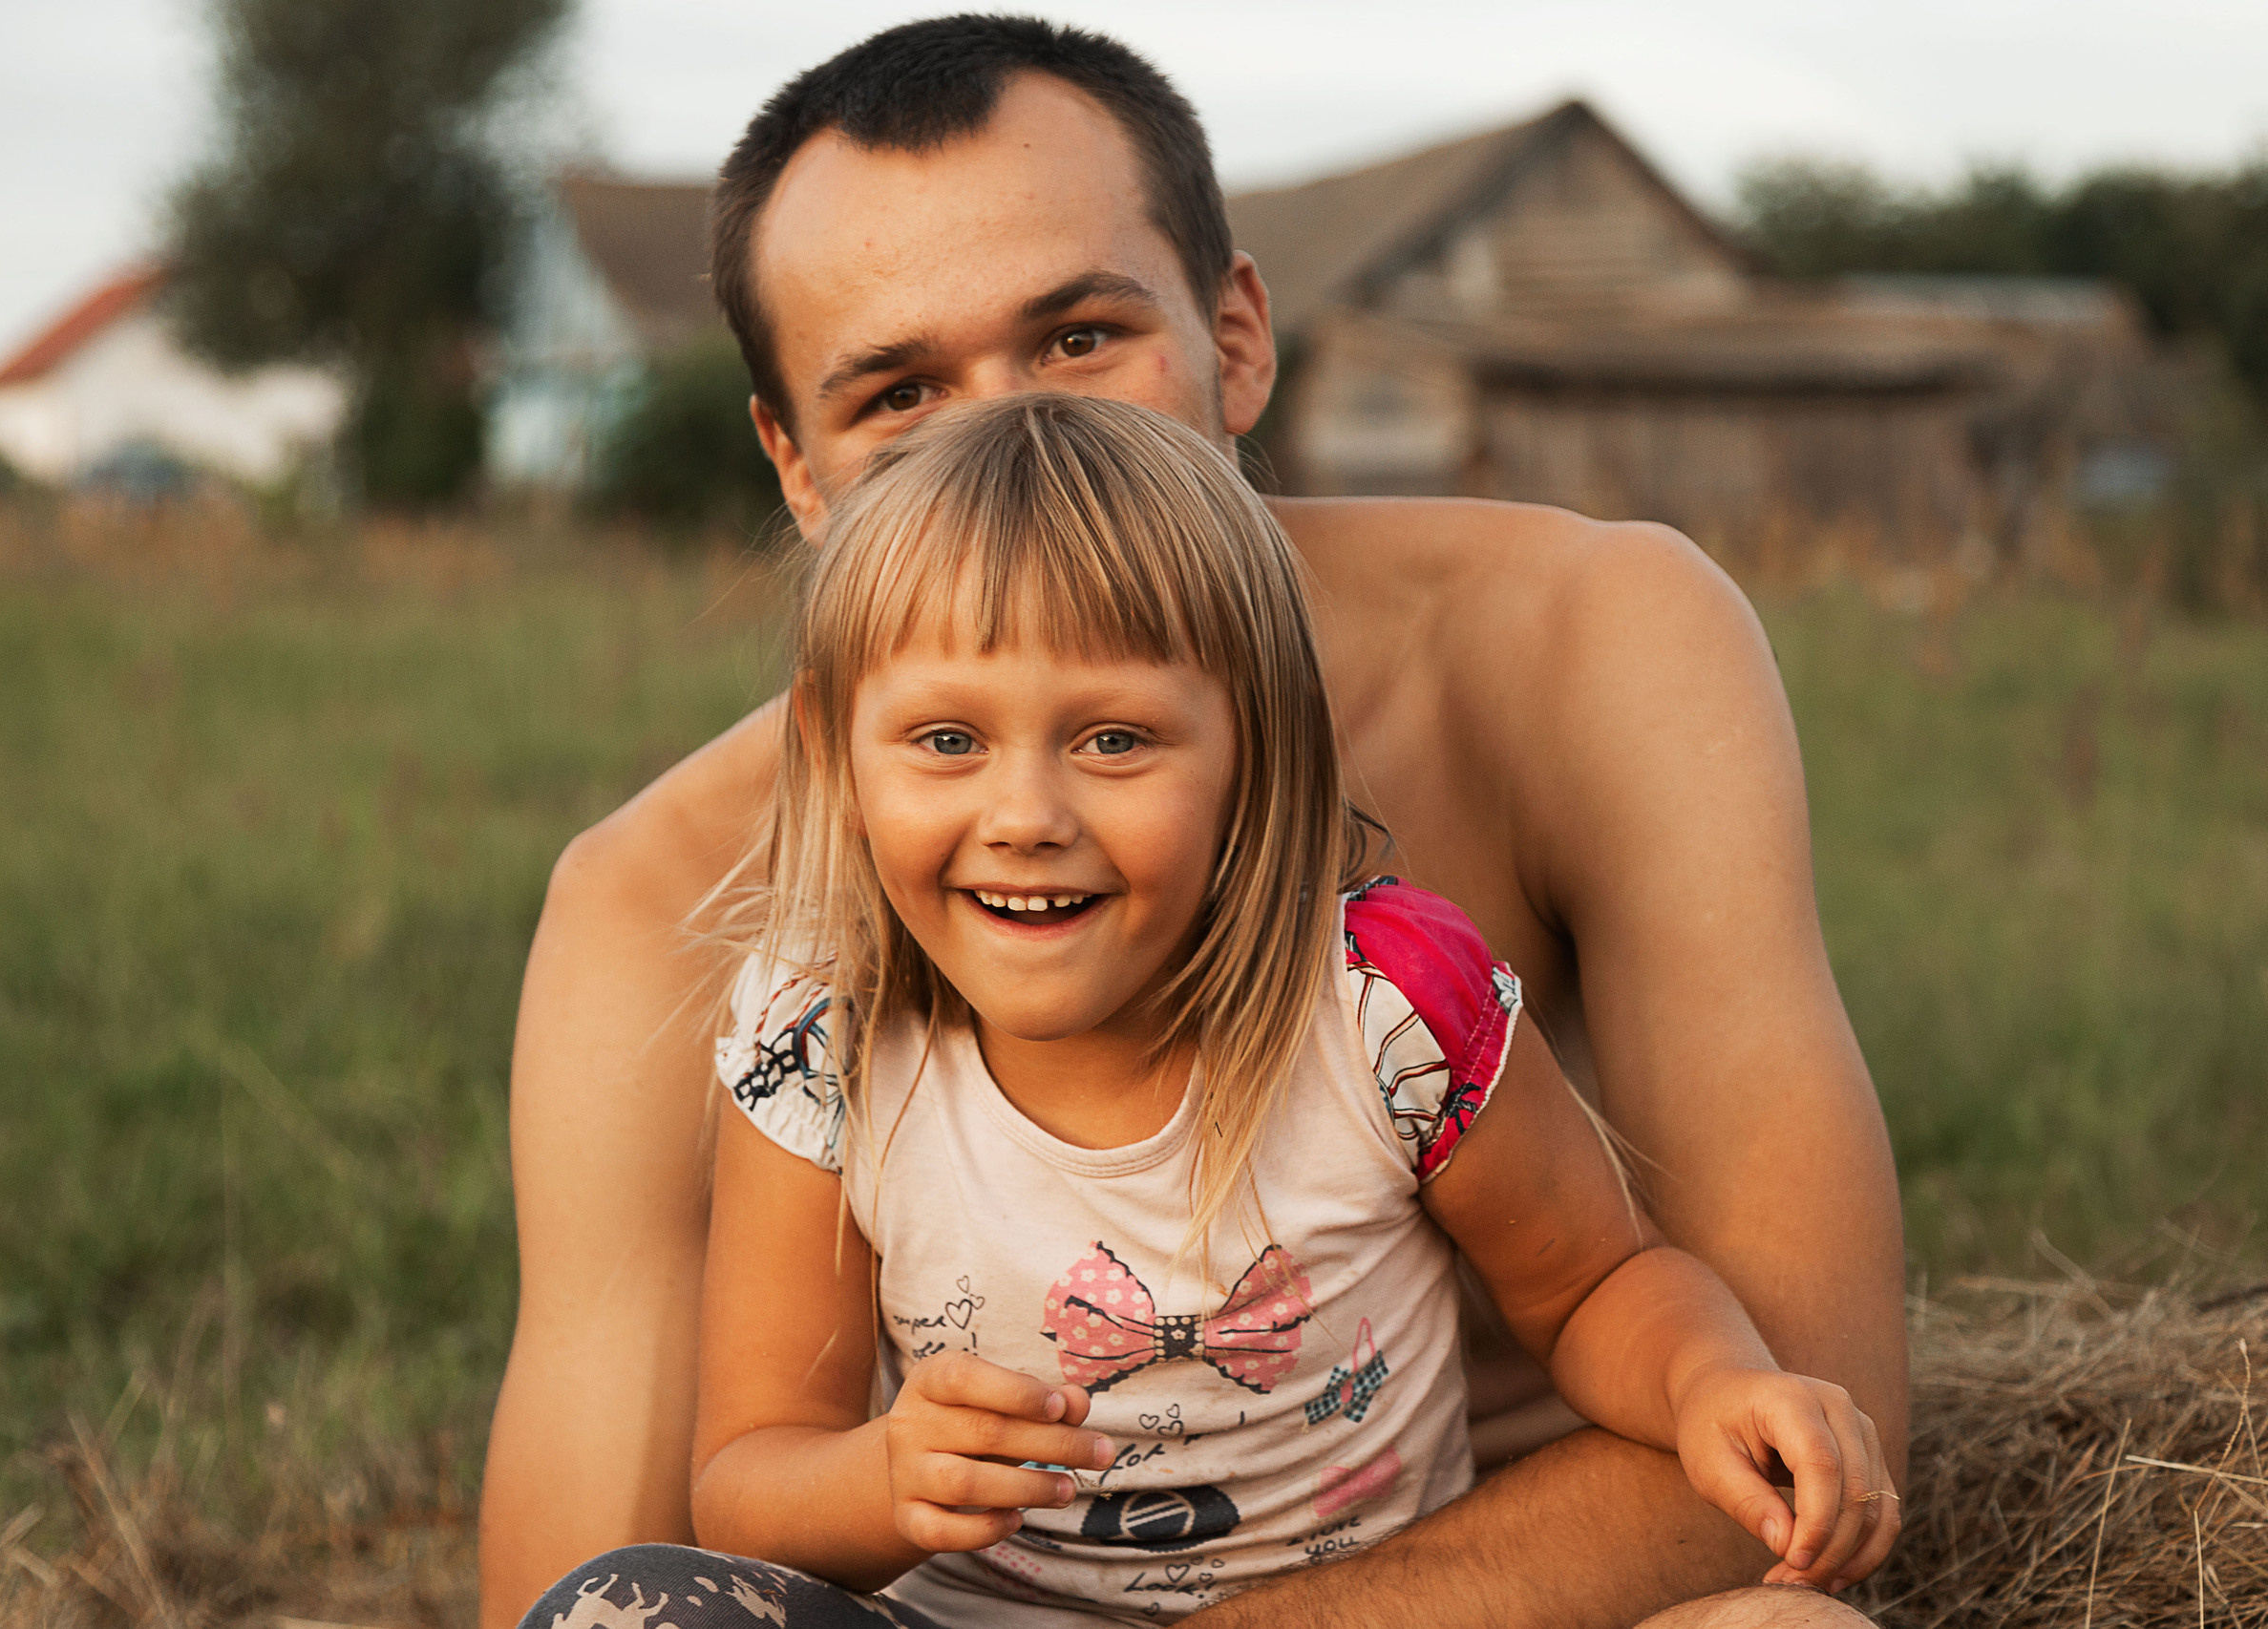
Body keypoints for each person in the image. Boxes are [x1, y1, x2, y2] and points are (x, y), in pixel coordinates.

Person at [479, 17, 1908, 1629]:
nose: (1021, 444)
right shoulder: (671, 908)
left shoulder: (1591, 646)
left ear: (1235, 334)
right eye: (896, 391)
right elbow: (608, 1570)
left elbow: (1800, 1443)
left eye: (1080, 337)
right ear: (796, 469)